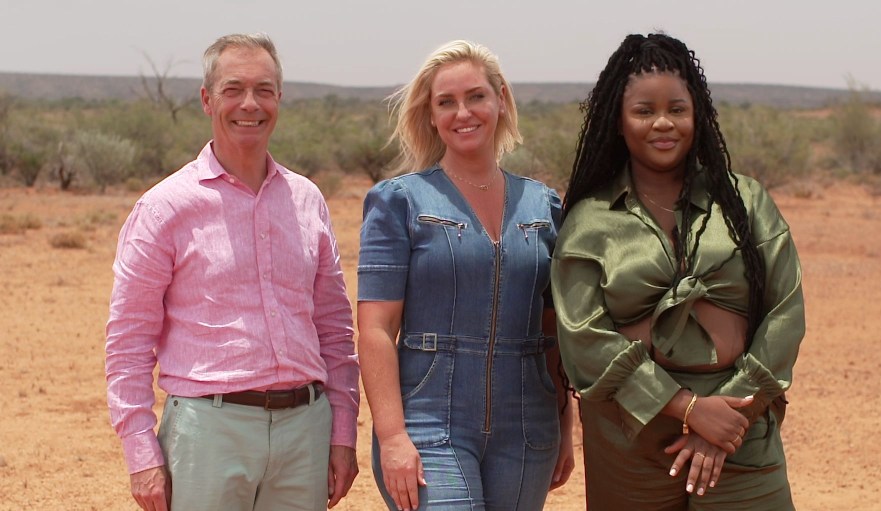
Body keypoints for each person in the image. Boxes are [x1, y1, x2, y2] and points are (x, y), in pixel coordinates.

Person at [105, 33, 360, 511]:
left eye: (264, 89)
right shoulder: (164, 208)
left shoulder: (307, 200)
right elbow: (129, 341)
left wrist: (342, 433)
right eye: (233, 89)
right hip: (207, 432)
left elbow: (335, 331)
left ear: (279, 98)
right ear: (207, 100)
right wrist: (141, 455)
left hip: (305, 432)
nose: (250, 104)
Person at [551, 33, 805, 510]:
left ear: (698, 115)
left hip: (740, 427)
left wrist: (727, 420)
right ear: (618, 122)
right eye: (644, 111)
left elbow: (785, 313)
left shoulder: (745, 202)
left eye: (677, 109)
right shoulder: (590, 221)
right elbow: (583, 339)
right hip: (630, 437)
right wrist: (689, 408)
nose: (663, 123)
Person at [357, 40, 575, 511]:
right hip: (428, 421)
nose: (463, 112)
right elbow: (375, 329)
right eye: (446, 102)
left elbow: (553, 326)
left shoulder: (545, 206)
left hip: (528, 423)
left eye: (476, 96)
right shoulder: (399, 202)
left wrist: (565, 423)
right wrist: (392, 437)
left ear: (500, 100)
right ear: (431, 116)